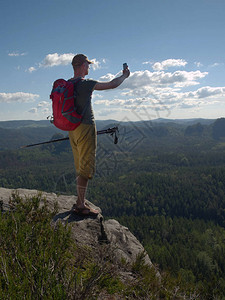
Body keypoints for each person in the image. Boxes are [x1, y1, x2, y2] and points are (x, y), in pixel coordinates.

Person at [69, 54, 130, 216]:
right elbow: (112, 84)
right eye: (87, 65)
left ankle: (79, 200)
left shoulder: (68, 84)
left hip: (72, 129)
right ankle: (81, 205)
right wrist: (124, 76)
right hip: (86, 127)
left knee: (79, 165)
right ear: (82, 65)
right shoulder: (86, 84)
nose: (89, 67)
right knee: (86, 167)